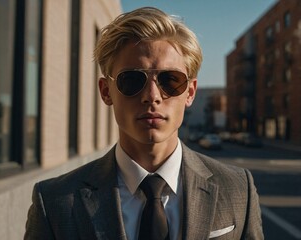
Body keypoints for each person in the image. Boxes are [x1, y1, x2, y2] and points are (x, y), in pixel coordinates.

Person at [24, 7, 264, 240]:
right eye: (132, 79)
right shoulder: (55, 202)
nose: (152, 95)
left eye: (170, 80)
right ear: (106, 91)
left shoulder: (238, 189)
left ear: (190, 93)